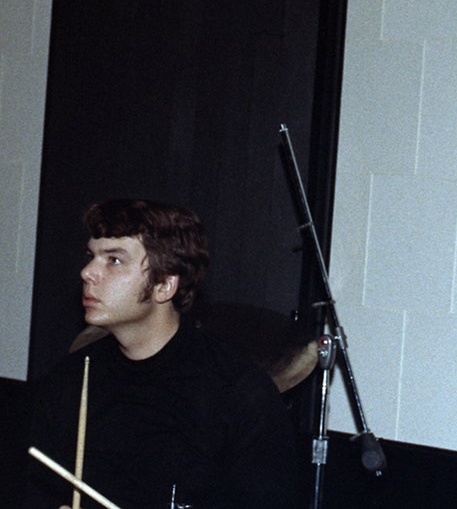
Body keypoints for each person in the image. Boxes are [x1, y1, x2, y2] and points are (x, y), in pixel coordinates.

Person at [26, 199, 301, 509]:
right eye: (91, 257)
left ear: (164, 285)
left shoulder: (238, 393)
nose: (88, 272)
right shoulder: (69, 381)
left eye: (113, 260)